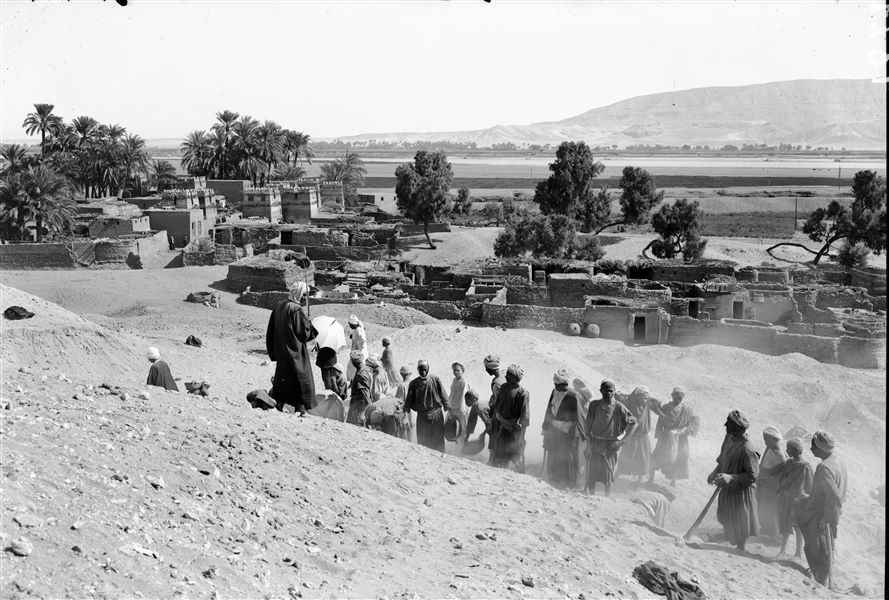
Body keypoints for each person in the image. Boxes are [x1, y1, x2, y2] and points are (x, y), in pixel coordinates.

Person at [796, 431, 847, 588]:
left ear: (822, 448)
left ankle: (821, 583)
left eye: (814, 446)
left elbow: (833, 497)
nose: (811, 449)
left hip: (820, 515)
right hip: (828, 511)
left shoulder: (824, 468)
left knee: (818, 549)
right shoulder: (837, 461)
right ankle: (822, 579)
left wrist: (827, 518)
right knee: (824, 548)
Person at [707, 410, 760, 551]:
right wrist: (715, 471)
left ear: (738, 427)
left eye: (729, 423)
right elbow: (723, 460)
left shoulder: (748, 448)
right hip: (727, 489)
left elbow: (752, 475)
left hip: (740, 492)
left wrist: (731, 478)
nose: (725, 425)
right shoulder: (729, 440)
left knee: (740, 522)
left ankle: (741, 548)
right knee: (726, 517)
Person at [265, 282, 316, 415]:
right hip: (295, 352)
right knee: (301, 379)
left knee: (283, 379)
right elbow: (304, 334)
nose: (305, 298)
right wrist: (308, 323)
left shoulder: (279, 306)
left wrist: (273, 351)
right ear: (298, 293)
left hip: (282, 351)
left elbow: (271, 330)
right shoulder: (296, 309)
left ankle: (280, 403)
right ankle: (300, 408)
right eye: (304, 295)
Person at [584, 379, 637, 496]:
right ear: (601, 391)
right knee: (592, 472)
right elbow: (587, 426)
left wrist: (622, 442)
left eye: (611, 391)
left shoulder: (619, 407)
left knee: (608, 473)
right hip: (595, 442)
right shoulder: (594, 405)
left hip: (610, 445)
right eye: (606, 391)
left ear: (614, 392)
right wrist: (588, 445)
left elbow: (634, 423)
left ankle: (606, 497)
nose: (609, 393)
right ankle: (591, 495)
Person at [649, 387, 699, 486]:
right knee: (656, 457)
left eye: (680, 398)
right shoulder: (666, 407)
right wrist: (660, 435)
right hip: (665, 437)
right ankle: (650, 479)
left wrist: (685, 431)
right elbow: (660, 422)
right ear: (672, 396)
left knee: (680, 457)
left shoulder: (687, 410)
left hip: (680, 438)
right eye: (676, 397)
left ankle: (673, 481)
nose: (678, 400)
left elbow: (695, 420)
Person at [775, 437, 813, 559]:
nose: (787, 450)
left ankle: (798, 553)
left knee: (798, 527)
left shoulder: (805, 466)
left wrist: (800, 496)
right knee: (786, 525)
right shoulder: (788, 463)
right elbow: (783, 478)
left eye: (789, 449)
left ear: (797, 450)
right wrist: (781, 488)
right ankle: (782, 550)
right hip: (787, 500)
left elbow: (807, 486)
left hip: (799, 502)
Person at [541, 369, 579, 488]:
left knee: (564, 458)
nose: (556, 387)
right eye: (555, 385)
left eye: (558, 385)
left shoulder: (573, 396)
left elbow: (577, 419)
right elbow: (549, 409)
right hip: (552, 432)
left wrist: (575, 438)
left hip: (566, 434)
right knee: (552, 455)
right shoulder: (554, 391)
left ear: (565, 384)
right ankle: (552, 480)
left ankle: (564, 484)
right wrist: (545, 427)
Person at [489, 364, 531, 472]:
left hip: (513, 430)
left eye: (509, 375)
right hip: (501, 426)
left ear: (516, 378)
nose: (506, 376)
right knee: (501, 455)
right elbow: (498, 406)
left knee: (514, 456)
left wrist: (521, 436)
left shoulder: (522, 393)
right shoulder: (503, 387)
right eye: (507, 374)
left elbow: (525, 417)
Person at [618, 386, 662, 485]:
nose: (643, 400)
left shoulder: (648, 405)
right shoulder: (629, 404)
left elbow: (659, 402)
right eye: (641, 398)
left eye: (645, 398)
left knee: (643, 459)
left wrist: (648, 397)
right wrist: (626, 395)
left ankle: (638, 482)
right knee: (626, 457)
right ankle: (616, 477)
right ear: (636, 397)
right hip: (631, 436)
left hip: (643, 438)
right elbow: (618, 398)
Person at [403, 360, 448, 452]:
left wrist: (447, 405)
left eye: (425, 370)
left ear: (428, 369)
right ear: (418, 370)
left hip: (437, 415)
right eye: (421, 370)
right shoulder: (413, 384)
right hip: (422, 416)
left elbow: (443, 394)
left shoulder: (435, 380)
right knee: (423, 441)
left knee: (438, 440)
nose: (423, 372)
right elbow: (409, 399)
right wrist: (405, 409)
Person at [757, 425, 788, 538]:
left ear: (775, 439)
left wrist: (768, 474)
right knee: (764, 505)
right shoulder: (770, 448)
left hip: (772, 485)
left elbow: (783, 468)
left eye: (767, 440)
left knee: (772, 508)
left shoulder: (779, 453)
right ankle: (767, 528)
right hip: (765, 482)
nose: (765, 443)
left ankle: (775, 532)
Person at [483, 354, 506, 462]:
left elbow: (499, 402)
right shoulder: (504, 375)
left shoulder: (497, 383)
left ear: (490, 368)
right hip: (504, 413)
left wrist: (493, 420)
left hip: (499, 414)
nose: (485, 369)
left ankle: (492, 460)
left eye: (486, 367)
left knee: (494, 435)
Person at [446, 362, 472, 448]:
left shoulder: (464, 383)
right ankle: (452, 448)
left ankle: (461, 450)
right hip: (453, 408)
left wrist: (461, 411)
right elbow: (452, 394)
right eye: (454, 370)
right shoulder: (454, 380)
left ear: (462, 371)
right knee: (450, 428)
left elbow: (463, 397)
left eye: (458, 370)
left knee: (462, 430)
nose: (455, 372)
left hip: (461, 410)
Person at [346, 350, 373, 426]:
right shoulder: (367, 369)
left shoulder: (361, 375)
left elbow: (366, 395)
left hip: (358, 406)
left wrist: (363, 412)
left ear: (353, 363)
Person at [346, 314, 368, 381]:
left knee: (352, 367)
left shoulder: (358, 330)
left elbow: (363, 339)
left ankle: (354, 380)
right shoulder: (357, 329)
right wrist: (352, 336)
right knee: (351, 367)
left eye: (350, 325)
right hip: (356, 352)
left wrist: (358, 347)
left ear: (354, 324)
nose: (350, 326)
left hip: (358, 353)